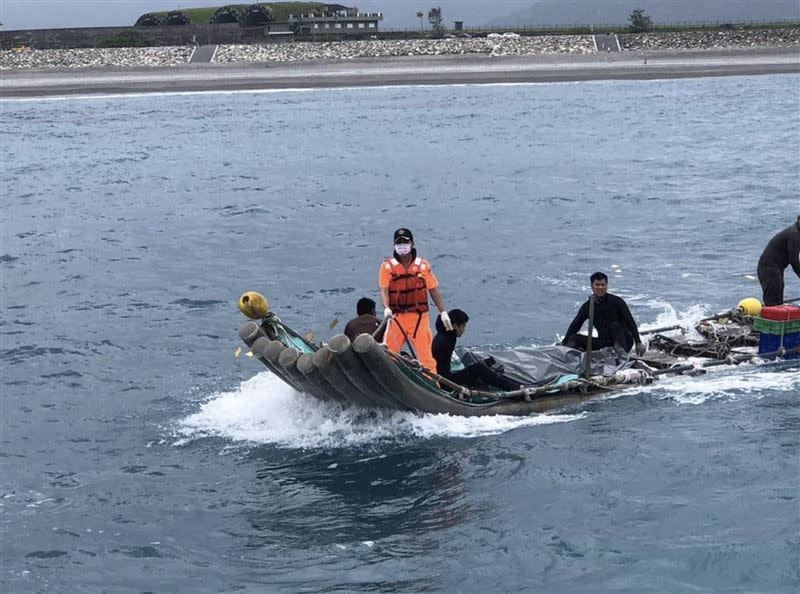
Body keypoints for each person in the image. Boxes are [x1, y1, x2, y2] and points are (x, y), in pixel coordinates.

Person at [379, 227, 449, 372]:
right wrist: (386, 308)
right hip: (396, 317)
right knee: (388, 355)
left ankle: (432, 386)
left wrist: (443, 312)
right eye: (398, 243)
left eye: (405, 242)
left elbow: (433, 289)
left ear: (412, 243)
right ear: (394, 245)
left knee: (426, 358)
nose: (402, 246)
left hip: (419, 318)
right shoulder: (387, 267)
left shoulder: (423, 266)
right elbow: (384, 290)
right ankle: (390, 384)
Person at [431, 309, 520, 391]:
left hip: (444, 378)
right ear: (455, 326)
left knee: (486, 363)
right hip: (446, 383)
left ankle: (509, 386)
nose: (464, 330)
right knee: (479, 368)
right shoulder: (446, 340)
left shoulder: (444, 335)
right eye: (463, 327)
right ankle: (514, 389)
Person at [562, 272, 646, 356]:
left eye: (603, 285)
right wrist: (564, 342)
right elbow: (575, 325)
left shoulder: (617, 301)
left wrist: (638, 342)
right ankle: (569, 359)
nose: (600, 287)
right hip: (604, 343)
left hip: (623, 342)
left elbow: (630, 322)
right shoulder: (588, 306)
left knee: (614, 325)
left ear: (607, 285)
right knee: (574, 338)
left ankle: (620, 357)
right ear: (592, 286)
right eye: (597, 285)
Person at [757, 215, 800, 306]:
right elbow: (794, 259)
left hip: (776, 269)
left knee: (778, 299)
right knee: (773, 301)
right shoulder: (794, 234)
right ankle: (771, 318)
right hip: (769, 269)